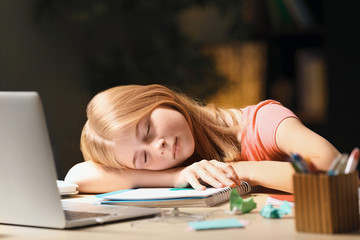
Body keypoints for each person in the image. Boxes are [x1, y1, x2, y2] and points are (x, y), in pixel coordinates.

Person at [65, 84, 339, 193]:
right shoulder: (183, 165)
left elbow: (333, 169)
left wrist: (240, 170)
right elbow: (78, 176)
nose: (157, 146)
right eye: (144, 158)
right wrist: (175, 176)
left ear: (159, 99)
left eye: (147, 130)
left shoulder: (260, 122)